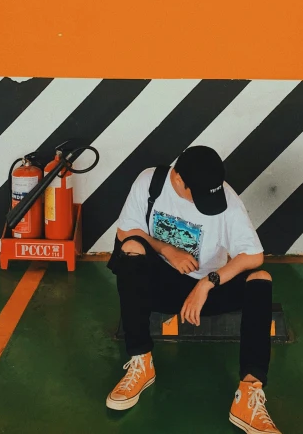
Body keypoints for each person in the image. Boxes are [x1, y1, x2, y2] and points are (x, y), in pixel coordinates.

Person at [105, 145, 282, 434]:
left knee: (260, 279)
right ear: (178, 180)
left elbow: (253, 256)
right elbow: (126, 231)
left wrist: (207, 282)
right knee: (131, 249)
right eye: (197, 193)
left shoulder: (227, 199)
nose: (209, 199)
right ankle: (141, 362)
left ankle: (248, 394)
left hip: (205, 292)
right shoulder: (151, 183)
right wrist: (167, 249)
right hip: (161, 282)